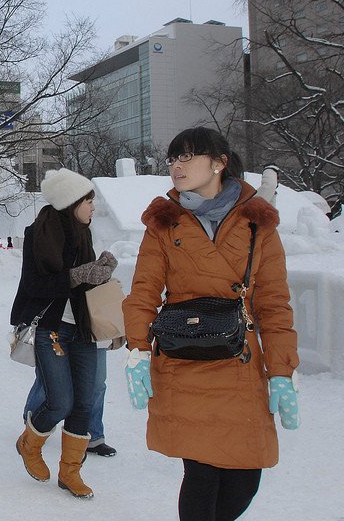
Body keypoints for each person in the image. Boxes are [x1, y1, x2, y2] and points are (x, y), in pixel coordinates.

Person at [122, 127, 299, 520]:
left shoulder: (258, 222)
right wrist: (137, 350)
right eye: (173, 158)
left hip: (239, 362)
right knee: (201, 473)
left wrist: (282, 370)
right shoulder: (164, 221)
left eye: (187, 156)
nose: (177, 166)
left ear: (219, 162)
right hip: (184, 357)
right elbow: (144, 291)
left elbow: (274, 304)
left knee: (244, 478)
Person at [11, 167, 117, 499]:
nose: (93, 207)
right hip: (51, 329)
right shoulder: (39, 232)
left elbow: (82, 282)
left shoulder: (84, 233)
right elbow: (35, 285)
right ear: (72, 202)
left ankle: (70, 472)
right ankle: (30, 443)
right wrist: (78, 274)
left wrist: (99, 272)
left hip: (82, 328)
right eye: (88, 201)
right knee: (59, 402)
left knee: (84, 402)